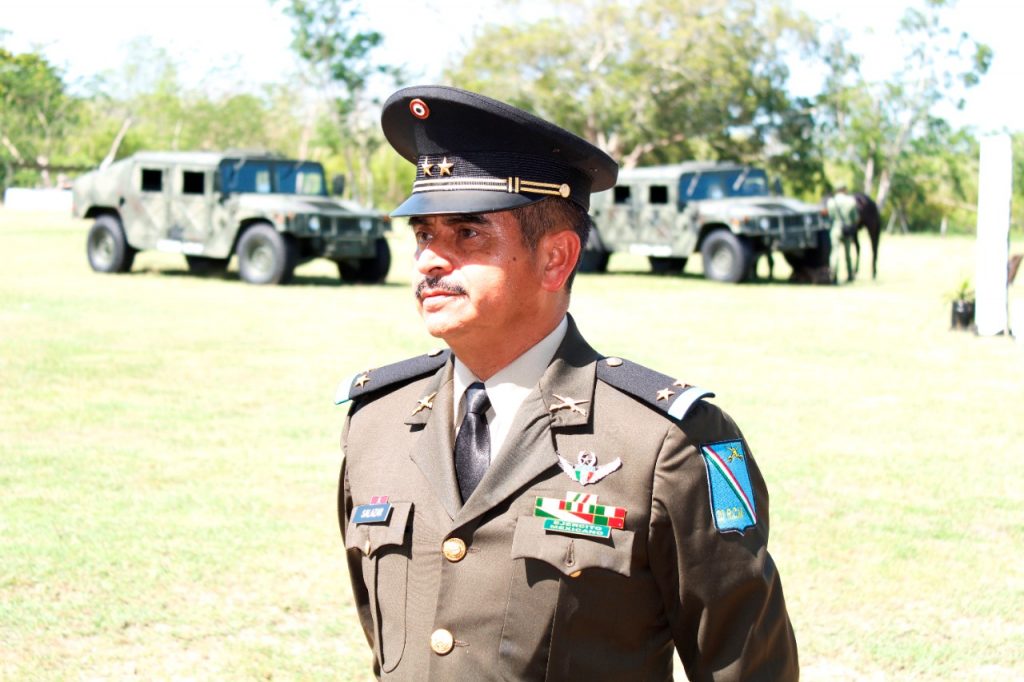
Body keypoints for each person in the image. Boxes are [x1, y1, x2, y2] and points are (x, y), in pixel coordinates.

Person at [335, 85, 798, 680]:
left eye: (467, 233)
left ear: (556, 258)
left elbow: (748, 668)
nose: (429, 260)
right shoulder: (375, 423)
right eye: (424, 234)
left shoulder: (666, 444)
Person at [825, 186, 860, 283]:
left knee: (834, 252)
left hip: (835, 229)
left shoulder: (831, 202)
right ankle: (850, 275)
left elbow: (830, 216)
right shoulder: (850, 201)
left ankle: (833, 275)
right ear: (845, 190)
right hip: (847, 229)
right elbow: (856, 218)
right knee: (848, 254)